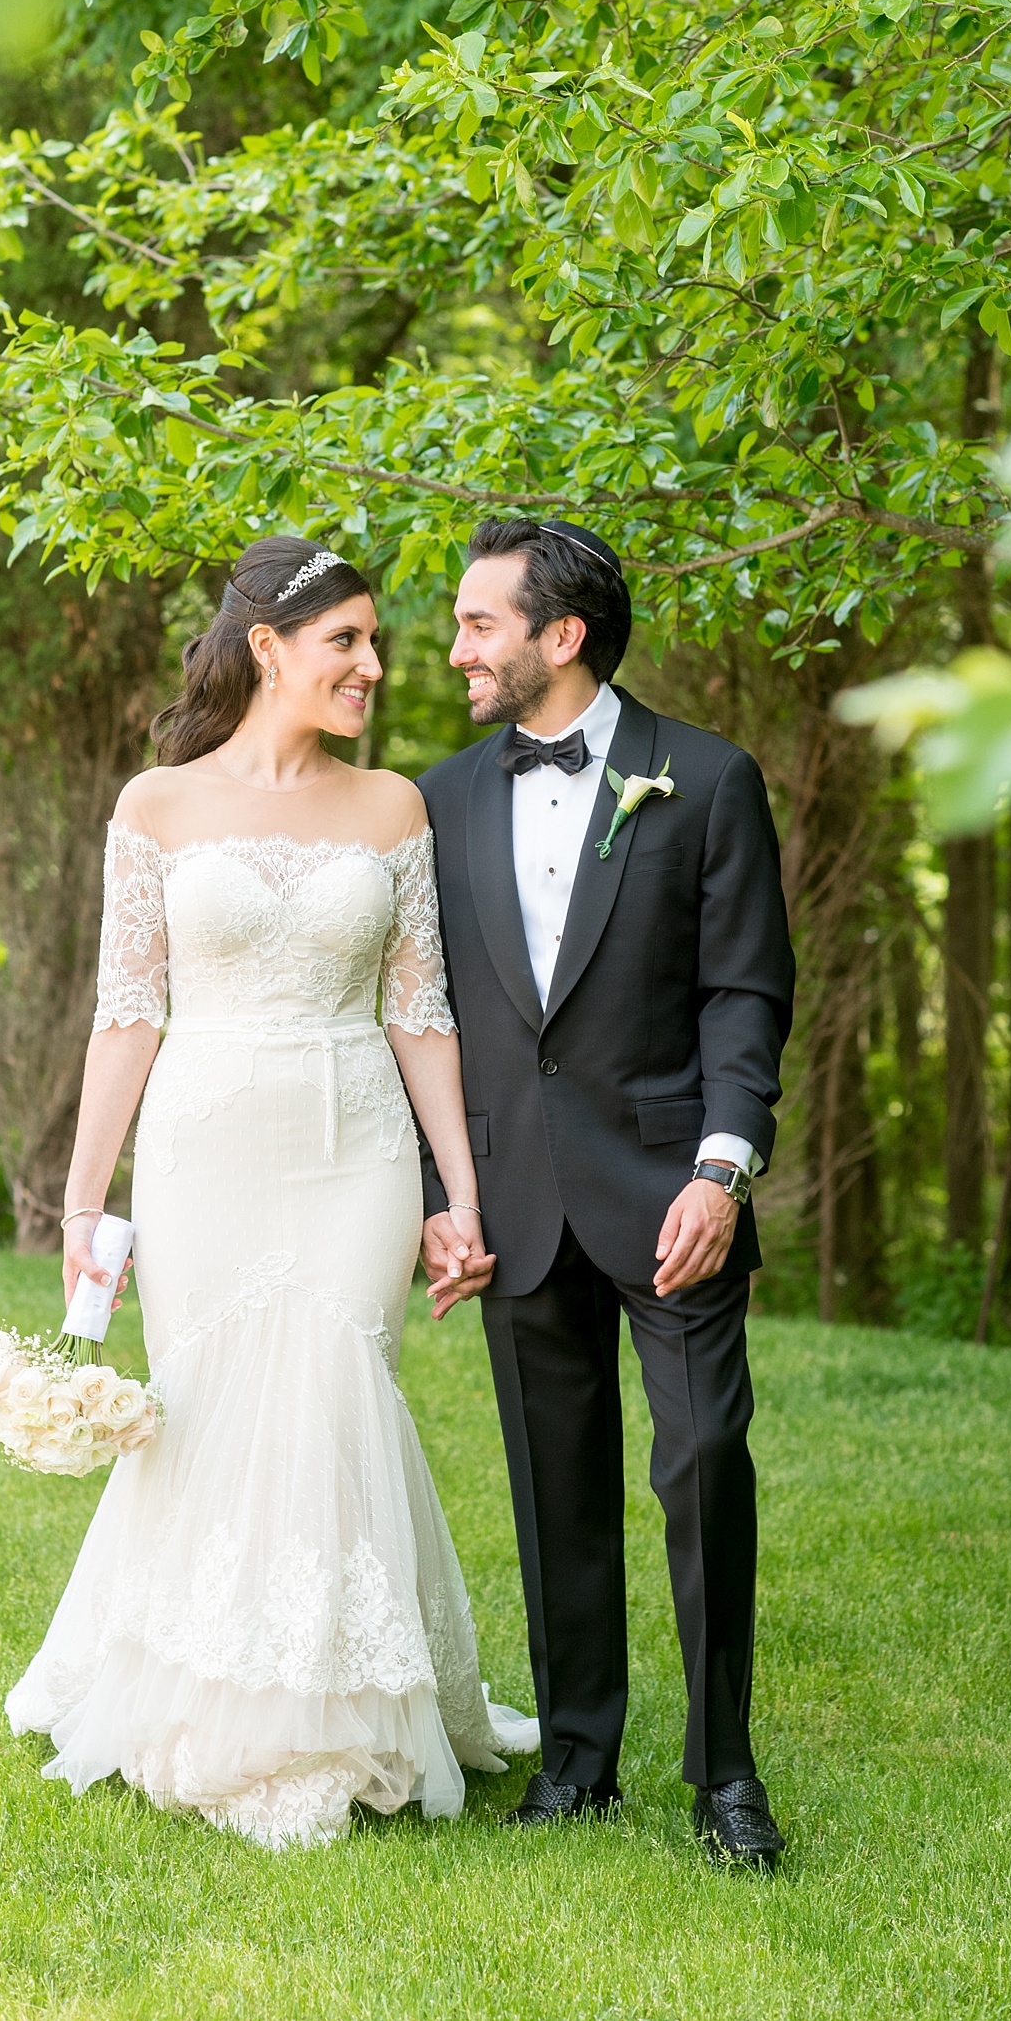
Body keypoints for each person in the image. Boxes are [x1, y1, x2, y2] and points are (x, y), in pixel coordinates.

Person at [6, 535, 535, 1850]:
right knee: (209, 1404)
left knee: (339, 1388)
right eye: (344, 640)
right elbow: (126, 1013)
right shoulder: (158, 807)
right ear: (267, 651)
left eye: (375, 642)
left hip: (353, 1143)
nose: (373, 664)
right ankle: (199, 1699)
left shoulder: (392, 809)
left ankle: (340, 1712)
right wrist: (83, 1208)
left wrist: (454, 1194)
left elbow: (422, 1016)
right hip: (205, 1148)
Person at [416, 519, 795, 1872]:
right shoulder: (438, 798)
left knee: (702, 1466)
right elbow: (422, 1017)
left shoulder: (705, 780)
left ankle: (724, 1776)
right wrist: (437, 1196)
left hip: (673, 1194)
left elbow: (745, 994)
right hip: (514, 1201)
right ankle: (578, 1759)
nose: (454, 648)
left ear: (559, 637)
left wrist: (723, 1169)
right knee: (550, 1485)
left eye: (477, 624)